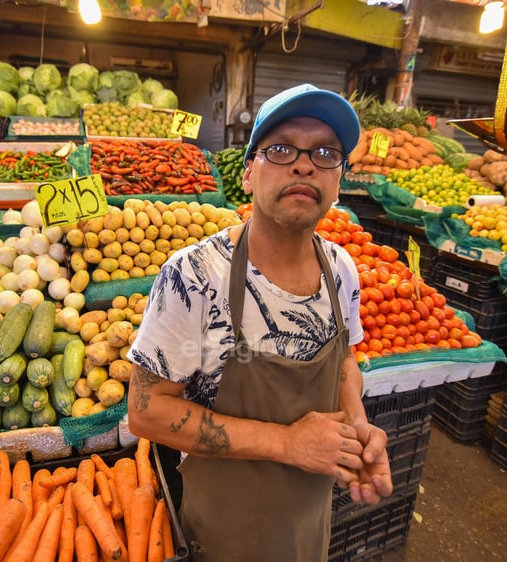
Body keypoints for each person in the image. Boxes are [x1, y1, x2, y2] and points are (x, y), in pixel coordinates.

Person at [126, 83, 392, 562]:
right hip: (225, 534)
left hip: (308, 527)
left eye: (326, 152)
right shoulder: (195, 276)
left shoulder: (342, 269)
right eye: (282, 148)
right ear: (248, 173)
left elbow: (346, 362)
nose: (305, 164)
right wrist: (287, 443)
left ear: (338, 180)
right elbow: (146, 411)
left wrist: (357, 432)